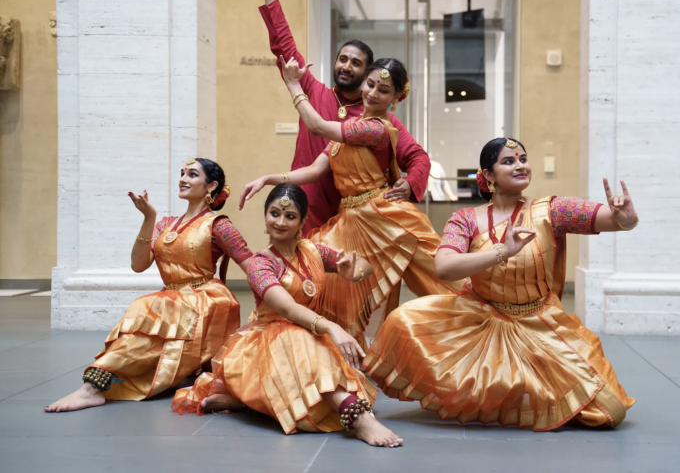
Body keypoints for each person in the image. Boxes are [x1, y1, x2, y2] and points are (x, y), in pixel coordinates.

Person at [364, 138, 637, 430]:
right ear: (489, 176)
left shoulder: (553, 211)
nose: (520, 165)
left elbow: (612, 220)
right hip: (481, 317)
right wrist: (501, 252)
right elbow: (443, 266)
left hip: (539, 322)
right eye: (509, 161)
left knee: (609, 409)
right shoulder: (465, 219)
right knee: (403, 319)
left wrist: (626, 217)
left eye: (523, 158)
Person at [240, 57, 460, 342]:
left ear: (395, 98)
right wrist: (269, 178)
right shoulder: (349, 127)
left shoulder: (377, 129)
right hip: (350, 220)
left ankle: (478, 319)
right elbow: (312, 171)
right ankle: (331, 345)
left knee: (440, 277)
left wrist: (294, 84)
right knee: (324, 273)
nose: (372, 93)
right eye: (370, 84)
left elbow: (317, 126)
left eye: (383, 90)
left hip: (385, 217)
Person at [172, 184, 403, 447]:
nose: (280, 222)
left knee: (306, 350)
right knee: (300, 343)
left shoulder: (314, 251)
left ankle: (246, 401)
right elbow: (287, 309)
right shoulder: (261, 263)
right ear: (265, 215)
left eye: (290, 216)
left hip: (309, 332)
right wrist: (331, 328)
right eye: (274, 213)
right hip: (264, 342)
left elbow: (366, 266)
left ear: (303, 221)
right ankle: (360, 419)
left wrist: (353, 272)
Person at [44, 159, 253, 413]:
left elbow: (251, 265)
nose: (183, 179)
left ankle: (92, 386)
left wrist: (273, 304)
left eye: (192, 174)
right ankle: (96, 382)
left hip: (206, 300)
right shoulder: (165, 224)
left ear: (211, 186)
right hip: (173, 299)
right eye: (182, 173)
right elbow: (138, 264)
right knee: (144, 316)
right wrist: (148, 217)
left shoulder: (219, 225)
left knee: (147, 314)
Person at [230, 0, 430, 236]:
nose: (347, 66)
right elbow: (284, 47)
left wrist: (409, 182)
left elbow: (418, 157)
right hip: (307, 205)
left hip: (359, 216)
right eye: (342, 59)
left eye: (356, 63)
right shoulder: (314, 91)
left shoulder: (381, 121)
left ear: (367, 73)